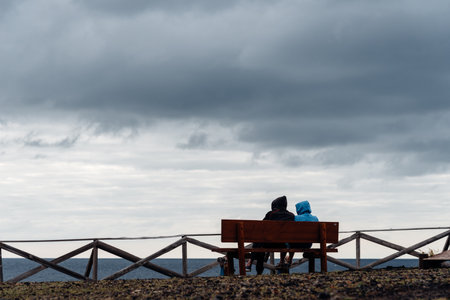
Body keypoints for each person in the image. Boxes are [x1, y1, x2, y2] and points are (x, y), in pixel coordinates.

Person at [248, 196, 295, 274]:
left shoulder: (271, 214)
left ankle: (252, 263)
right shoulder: (291, 216)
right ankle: (251, 262)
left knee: (259, 244)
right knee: (259, 243)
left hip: (269, 243)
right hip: (284, 245)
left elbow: (260, 227)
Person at [285, 200, 319, 265]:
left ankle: (290, 259)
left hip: (294, 244)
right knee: (296, 240)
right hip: (308, 244)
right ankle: (290, 259)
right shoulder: (315, 218)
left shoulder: (295, 218)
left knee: (292, 241)